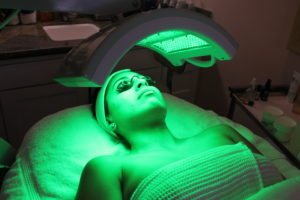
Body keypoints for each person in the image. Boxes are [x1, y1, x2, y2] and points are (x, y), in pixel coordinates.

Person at [76, 69, 282, 200]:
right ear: (110, 120)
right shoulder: (109, 168)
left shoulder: (222, 133)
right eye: (124, 86)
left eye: (145, 81)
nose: (142, 83)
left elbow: (287, 187)